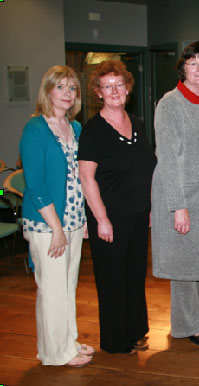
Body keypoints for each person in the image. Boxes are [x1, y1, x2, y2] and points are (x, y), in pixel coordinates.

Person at [151, 41, 199, 347]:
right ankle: (186, 327)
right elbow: (168, 158)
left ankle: (191, 321)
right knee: (185, 267)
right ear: (183, 67)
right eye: (194, 63)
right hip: (186, 198)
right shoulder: (170, 104)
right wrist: (178, 207)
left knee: (198, 263)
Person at [79, 60, 156, 354]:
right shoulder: (94, 130)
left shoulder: (136, 123)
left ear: (128, 88)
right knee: (113, 280)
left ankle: (136, 331)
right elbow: (87, 178)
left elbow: (146, 168)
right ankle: (115, 341)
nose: (114, 91)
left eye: (119, 85)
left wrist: (148, 208)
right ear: (98, 92)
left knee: (134, 276)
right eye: (107, 86)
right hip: (109, 218)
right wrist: (101, 218)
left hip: (138, 215)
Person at [20, 65, 93, 367]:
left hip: (74, 221)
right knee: (51, 290)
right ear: (48, 90)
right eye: (60, 87)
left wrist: (84, 219)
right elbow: (35, 184)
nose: (67, 93)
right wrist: (57, 229)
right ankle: (54, 353)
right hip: (47, 225)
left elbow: (80, 178)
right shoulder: (36, 129)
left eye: (72, 88)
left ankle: (68, 342)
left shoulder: (74, 128)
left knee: (67, 286)